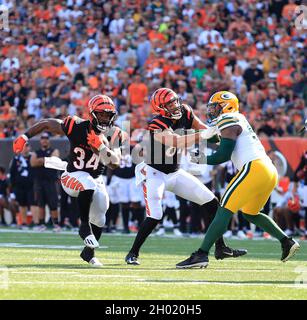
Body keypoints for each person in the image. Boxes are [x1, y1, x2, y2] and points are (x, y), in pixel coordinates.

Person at [176, 91, 300, 269]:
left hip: (254, 168)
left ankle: (201, 254)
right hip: (268, 170)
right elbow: (210, 135)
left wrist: (201, 158)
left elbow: (223, 155)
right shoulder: (234, 119)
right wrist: (190, 125)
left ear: (227, 105)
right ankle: (286, 242)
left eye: (215, 106)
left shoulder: (229, 118)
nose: (212, 110)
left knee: (223, 209)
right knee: (250, 213)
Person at [125, 88, 247, 265]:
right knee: (155, 215)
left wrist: (225, 139)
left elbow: (204, 130)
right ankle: (133, 253)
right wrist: (205, 134)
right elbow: (177, 141)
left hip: (175, 172)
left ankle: (221, 248)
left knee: (212, 202)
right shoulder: (156, 124)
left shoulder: (185, 111)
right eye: (169, 103)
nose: (175, 105)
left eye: (175, 100)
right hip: (154, 172)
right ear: (160, 108)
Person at [13, 95, 123, 267]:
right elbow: (47, 123)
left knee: (102, 213)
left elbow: (115, 163)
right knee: (88, 183)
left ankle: (89, 253)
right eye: (101, 114)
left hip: (95, 177)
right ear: (92, 114)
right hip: (72, 175)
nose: (105, 118)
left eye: (108, 115)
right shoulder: (77, 125)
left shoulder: (114, 133)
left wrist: (102, 148)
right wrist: (25, 136)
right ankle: (84, 227)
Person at [30, 132, 60, 232]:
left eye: (46, 138)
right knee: (40, 204)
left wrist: (42, 160)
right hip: (39, 181)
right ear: (40, 140)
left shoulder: (54, 150)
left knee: (53, 204)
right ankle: (41, 224)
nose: (44, 140)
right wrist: (47, 160)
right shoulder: (36, 152)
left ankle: (56, 224)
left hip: (51, 181)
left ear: (49, 140)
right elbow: (33, 162)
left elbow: (54, 159)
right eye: (42, 138)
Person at [9, 143, 38, 229]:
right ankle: (24, 222)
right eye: (24, 146)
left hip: (31, 185)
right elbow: (12, 173)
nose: (26, 148)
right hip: (19, 186)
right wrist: (13, 188)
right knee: (22, 204)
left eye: (27, 146)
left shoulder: (33, 157)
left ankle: (37, 223)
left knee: (33, 203)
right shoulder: (16, 158)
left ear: (30, 147)